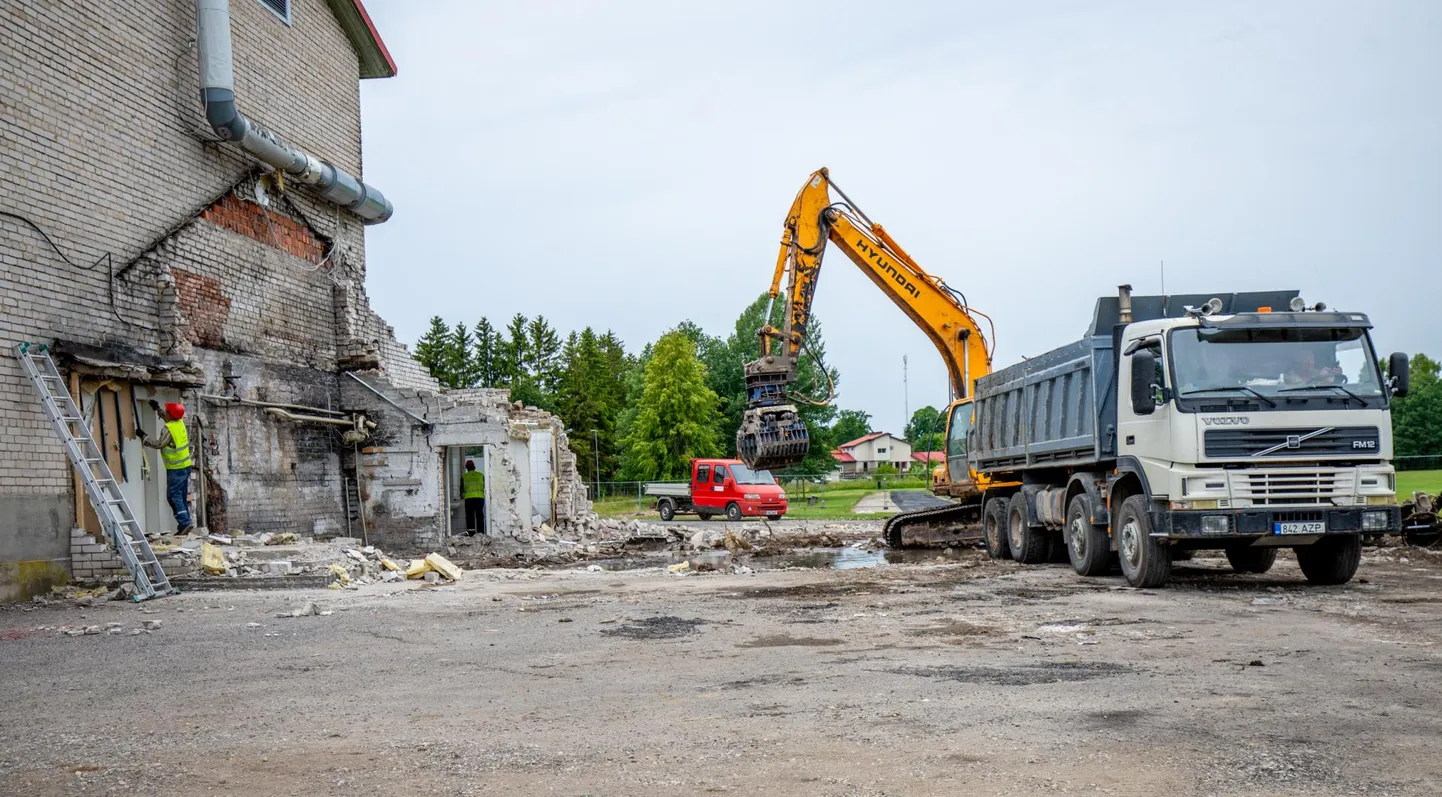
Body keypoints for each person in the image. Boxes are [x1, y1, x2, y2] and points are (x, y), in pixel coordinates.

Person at [137, 400, 196, 537]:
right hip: (185, 466)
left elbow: (159, 444)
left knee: (173, 496)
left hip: (176, 468)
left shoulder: (168, 429)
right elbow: (167, 417)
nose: (165, 413)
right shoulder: (178, 423)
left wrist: (144, 437)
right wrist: (157, 409)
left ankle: (185, 522)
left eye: (166, 411)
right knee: (181, 495)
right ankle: (185, 523)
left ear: (170, 415)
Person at [461, 459, 486, 536]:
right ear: (474, 467)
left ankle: (471, 533)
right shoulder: (481, 475)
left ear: (467, 468)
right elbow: (484, 486)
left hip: (469, 499)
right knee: (480, 516)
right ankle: (481, 533)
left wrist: (462, 496)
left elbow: (461, 489)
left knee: (470, 517)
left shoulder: (464, 477)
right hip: (479, 498)